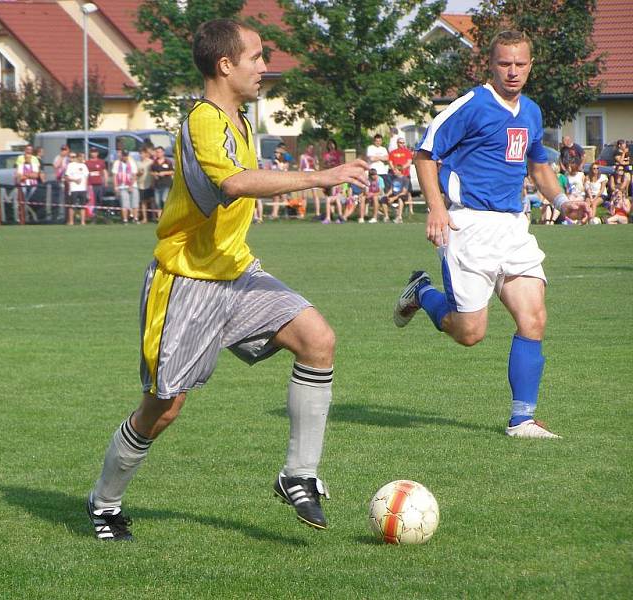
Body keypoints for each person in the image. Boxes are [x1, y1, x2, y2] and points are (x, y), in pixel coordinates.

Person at [86, 17, 368, 542]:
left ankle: (298, 474)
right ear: (225, 64)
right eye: (257, 57)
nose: (266, 67)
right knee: (163, 408)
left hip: (236, 272)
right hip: (186, 283)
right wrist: (317, 176)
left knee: (318, 339)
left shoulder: (237, 120)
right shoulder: (203, 121)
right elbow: (235, 183)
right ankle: (104, 503)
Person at [393, 30, 588, 440]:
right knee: (469, 334)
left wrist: (562, 200)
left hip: (513, 226)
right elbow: (425, 154)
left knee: (534, 317)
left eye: (520, 64)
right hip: (468, 225)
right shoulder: (471, 105)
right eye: (504, 63)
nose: (512, 71)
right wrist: (436, 208)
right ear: (491, 65)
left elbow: (538, 166)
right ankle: (422, 293)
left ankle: (522, 419)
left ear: (530, 65)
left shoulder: (532, 112)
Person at [388, 138, 415, 214]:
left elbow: (409, 162)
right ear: (397, 143)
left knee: (408, 192)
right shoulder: (393, 152)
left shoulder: (407, 152)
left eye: (403, 143)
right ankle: (397, 210)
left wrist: (401, 168)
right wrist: (394, 169)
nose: (402, 144)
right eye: (400, 142)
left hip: (405, 175)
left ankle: (411, 210)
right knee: (395, 191)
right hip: (395, 176)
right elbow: (390, 162)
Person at [112, 149, 138, 223]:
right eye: (124, 155)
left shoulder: (132, 163)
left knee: (135, 203)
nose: (125, 157)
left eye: (126, 155)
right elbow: (115, 176)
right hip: (122, 186)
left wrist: (131, 185)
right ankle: (125, 220)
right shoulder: (117, 163)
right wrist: (115, 187)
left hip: (132, 186)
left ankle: (135, 219)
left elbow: (134, 175)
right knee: (124, 204)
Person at [65, 151, 89, 225]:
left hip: (82, 189)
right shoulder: (71, 165)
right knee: (72, 206)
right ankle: (71, 221)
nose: (83, 158)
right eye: (82, 157)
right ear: (78, 157)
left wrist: (86, 188)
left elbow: (86, 177)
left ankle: (82, 222)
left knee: (82, 206)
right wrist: (75, 180)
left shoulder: (84, 166)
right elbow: (66, 177)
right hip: (74, 189)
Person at [150, 146, 173, 221]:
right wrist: (155, 174)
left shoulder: (168, 162)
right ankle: (160, 218)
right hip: (157, 185)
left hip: (166, 184)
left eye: (159, 152)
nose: (158, 153)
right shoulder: (154, 162)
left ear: (163, 153)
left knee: (164, 199)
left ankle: (166, 216)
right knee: (157, 202)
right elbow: (151, 172)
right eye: (157, 152)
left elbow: (172, 171)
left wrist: (164, 173)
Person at [299, 144, 322, 217]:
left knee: (315, 195)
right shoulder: (302, 156)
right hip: (305, 174)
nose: (311, 150)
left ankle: (317, 213)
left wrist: (316, 163)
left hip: (313, 174)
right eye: (310, 148)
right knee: (304, 195)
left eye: (312, 148)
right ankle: (302, 213)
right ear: (307, 148)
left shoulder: (314, 157)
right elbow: (300, 167)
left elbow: (317, 168)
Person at [85, 147, 108, 219]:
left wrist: (106, 182)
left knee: (99, 200)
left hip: (99, 184)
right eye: (92, 152)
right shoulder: (87, 163)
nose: (93, 153)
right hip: (91, 185)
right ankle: (92, 215)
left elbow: (105, 172)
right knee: (92, 201)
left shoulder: (101, 162)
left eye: (95, 152)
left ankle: (98, 214)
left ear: (97, 153)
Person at [136, 144, 155, 224]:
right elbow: (136, 174)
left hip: (149, 184)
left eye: (142, 153)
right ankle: (145, 218)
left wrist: (152, 183)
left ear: (146, 153)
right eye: (140, 153)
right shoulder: (137, 163)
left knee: (152, 201)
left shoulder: (151, 162)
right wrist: (139, 173)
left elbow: (153, 173)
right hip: (141, 185)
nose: (141, 155)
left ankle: (154, 217)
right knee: (143, 202)